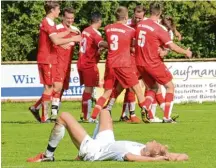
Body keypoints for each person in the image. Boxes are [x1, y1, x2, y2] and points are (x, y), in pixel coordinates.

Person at [27, 109, 189, 162]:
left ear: (150, 152)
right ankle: (78, 151)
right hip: (106, 142)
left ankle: (48, 155)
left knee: (64, 116)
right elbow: (184, 156)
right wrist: (168, 155)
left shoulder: (134, 154)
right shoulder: (143, 148)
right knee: (105, 112)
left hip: (94, 150)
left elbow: (131, 159)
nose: (154, 140)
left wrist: (154, 160)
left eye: (156, 143)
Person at [89, 7, 155, 124]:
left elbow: (111, 43)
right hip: (124, 64)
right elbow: (134, 44)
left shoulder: (108, 28)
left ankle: (93, 116)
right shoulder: (130, 30)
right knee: (137, 89)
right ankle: (145, 110)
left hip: (110, 64)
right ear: (126, 17)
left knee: (108, 91)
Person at [135, 2, 192, 123]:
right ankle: (167, 117)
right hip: (153, 62)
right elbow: (172, 46)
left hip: (140, 63)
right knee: (170, 86)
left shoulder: (140, 25)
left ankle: (145, 106)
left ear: (149, 11)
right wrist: (185, 52)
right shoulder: (159, 28)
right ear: (160, 13)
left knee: (154, 87)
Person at [28, 1, 81, 123]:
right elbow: (56, 41)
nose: (59, 11)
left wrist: (68, 33)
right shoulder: (48, 22)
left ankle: (37, 108)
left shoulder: (50, 23)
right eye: (58, 9)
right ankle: (44, 116)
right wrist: (72, 38)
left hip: (52, 60)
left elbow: (56, 37)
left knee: (54, 87)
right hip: (48, 59)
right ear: (52, 10)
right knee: (51, 87)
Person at [50, 7, 81, 121]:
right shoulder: (57, 29)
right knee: (57, 87)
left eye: (72, 18)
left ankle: (55, 108)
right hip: (58, 63)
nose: (70, 20)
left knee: (62, 88)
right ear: (63, 17)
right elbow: (52, 43)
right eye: (68, 18)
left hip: (68, 64)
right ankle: (52, 113)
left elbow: (82, 43)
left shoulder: (76, 30)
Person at [77, 12, 108, 122]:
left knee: (87, 89)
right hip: (89, 64)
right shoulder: (95, 33)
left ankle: (84, 113)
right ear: (99, 21)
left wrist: (99, 52)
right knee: (89, 90)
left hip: (81, 62)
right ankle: (87, 116)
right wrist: (113, 44)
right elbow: (101, 44)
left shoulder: (85, 30)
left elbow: (91, 47)